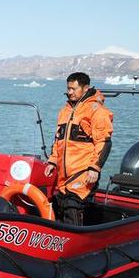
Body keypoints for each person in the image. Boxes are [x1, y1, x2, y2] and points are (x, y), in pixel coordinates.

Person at [44, 72, 113, 225]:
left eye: (73, 89)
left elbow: (104, 142)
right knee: (61, 204)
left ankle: (75, 243)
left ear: (85, 88)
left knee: (72, 205)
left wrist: (95, 167)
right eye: (68, 88)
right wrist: (52, 161)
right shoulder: (64, 111)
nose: (70, 92)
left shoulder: (97, 111)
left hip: (83, 171)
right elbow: (58, 139)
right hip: (64, 174)